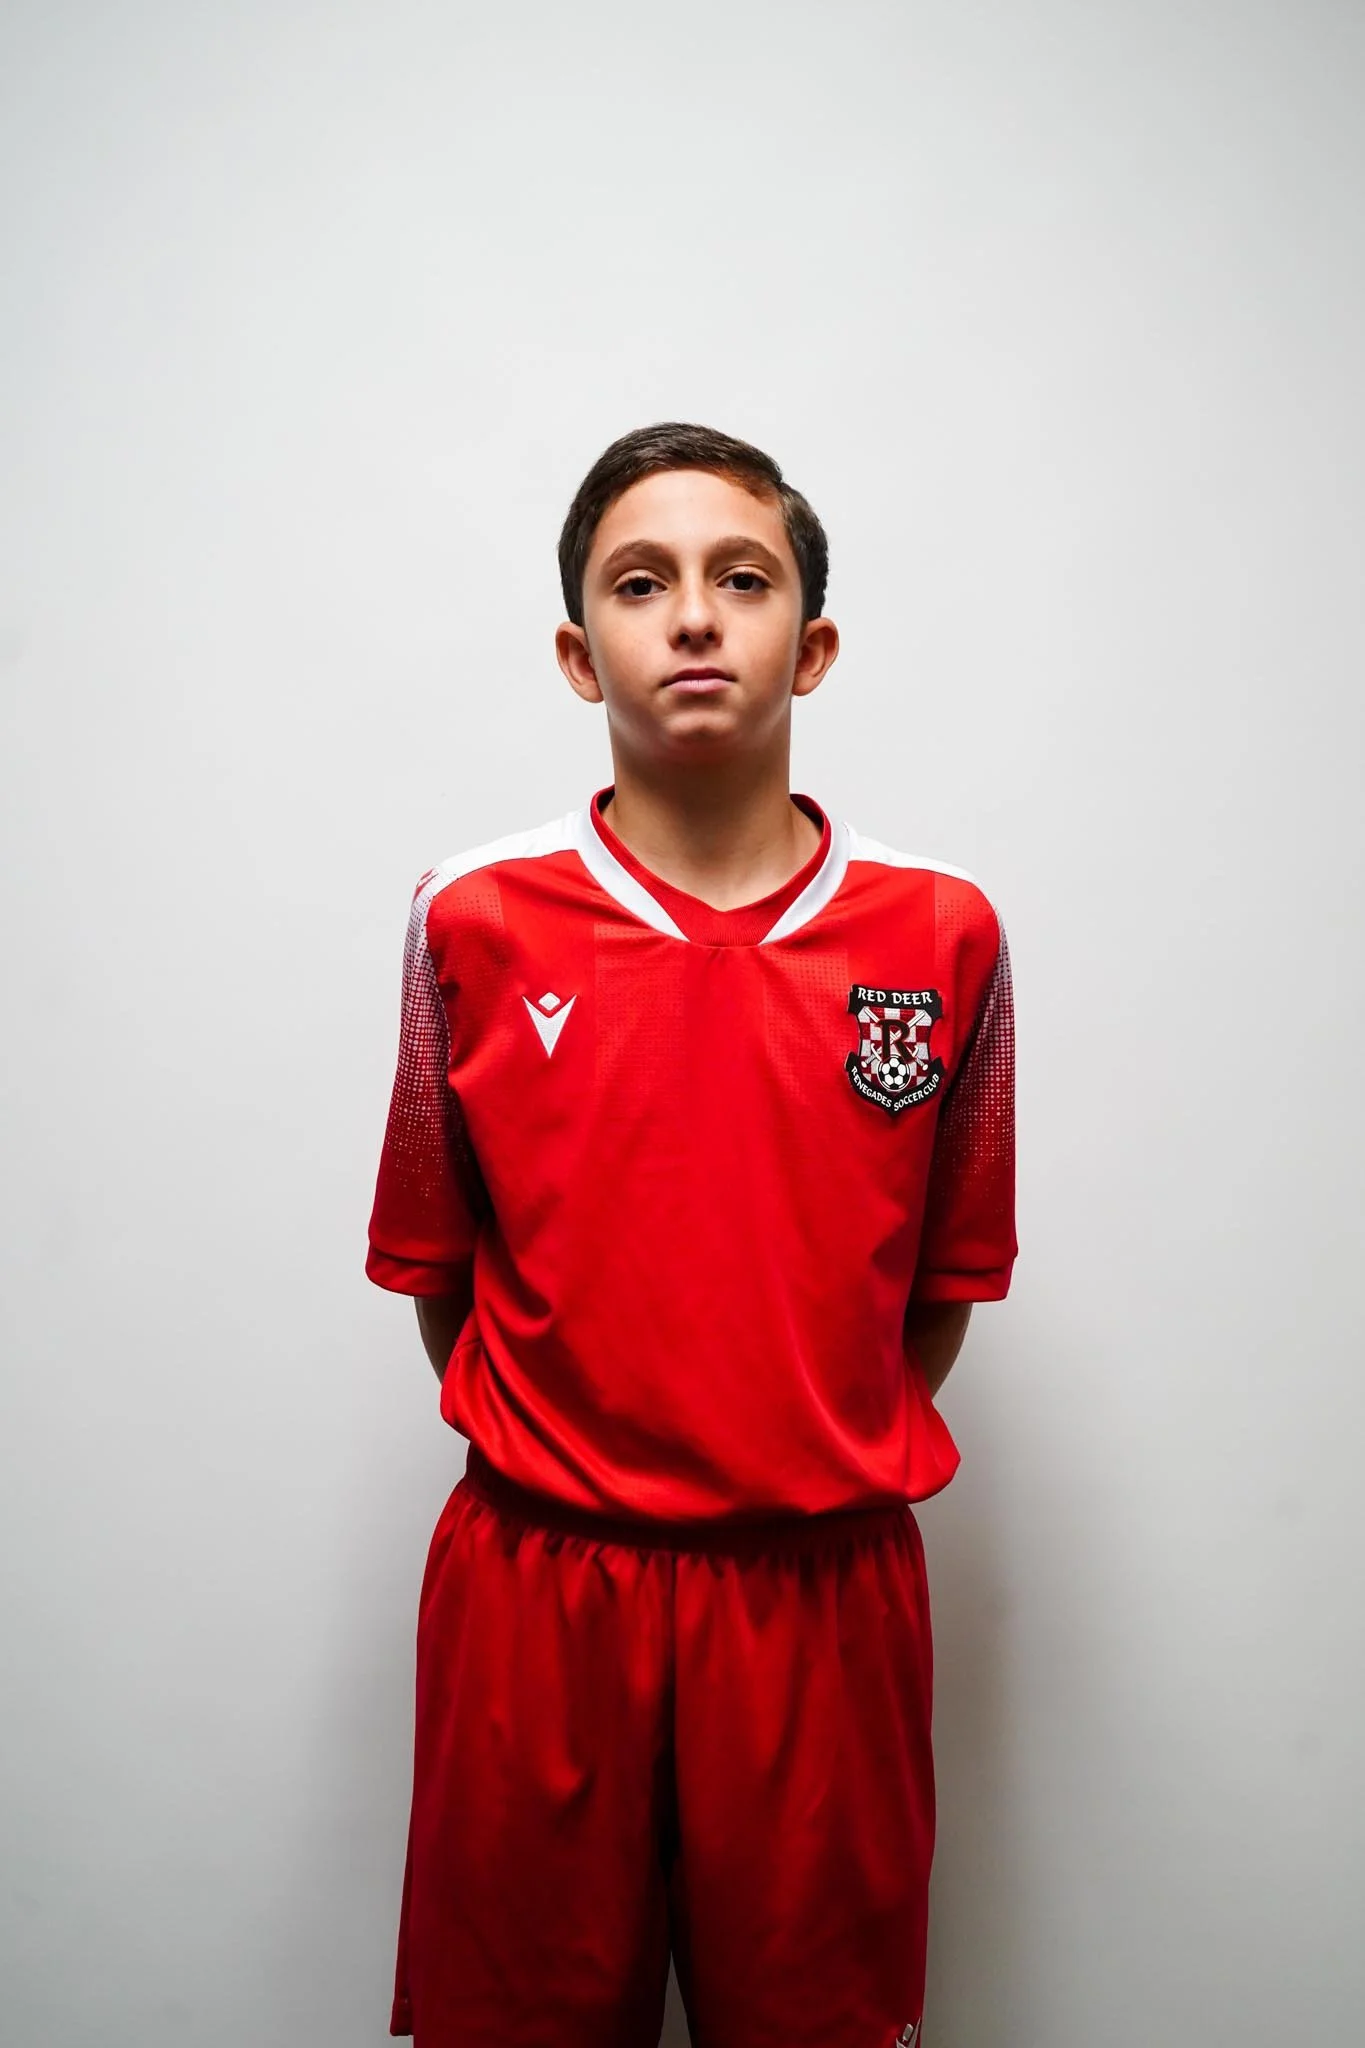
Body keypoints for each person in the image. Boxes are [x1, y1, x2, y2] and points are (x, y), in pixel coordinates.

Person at [365, 421, 1016, 2048]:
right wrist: (588, 1461)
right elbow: (445, 1280)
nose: (700, 618)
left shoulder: (941, 935)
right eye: (644, 585)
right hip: (542, 1592)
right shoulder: (475, 918)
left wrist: (772, 1444)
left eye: (745, 578)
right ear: (584, 656)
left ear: (816, 640)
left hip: (817, 1601)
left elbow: (934, 1294)